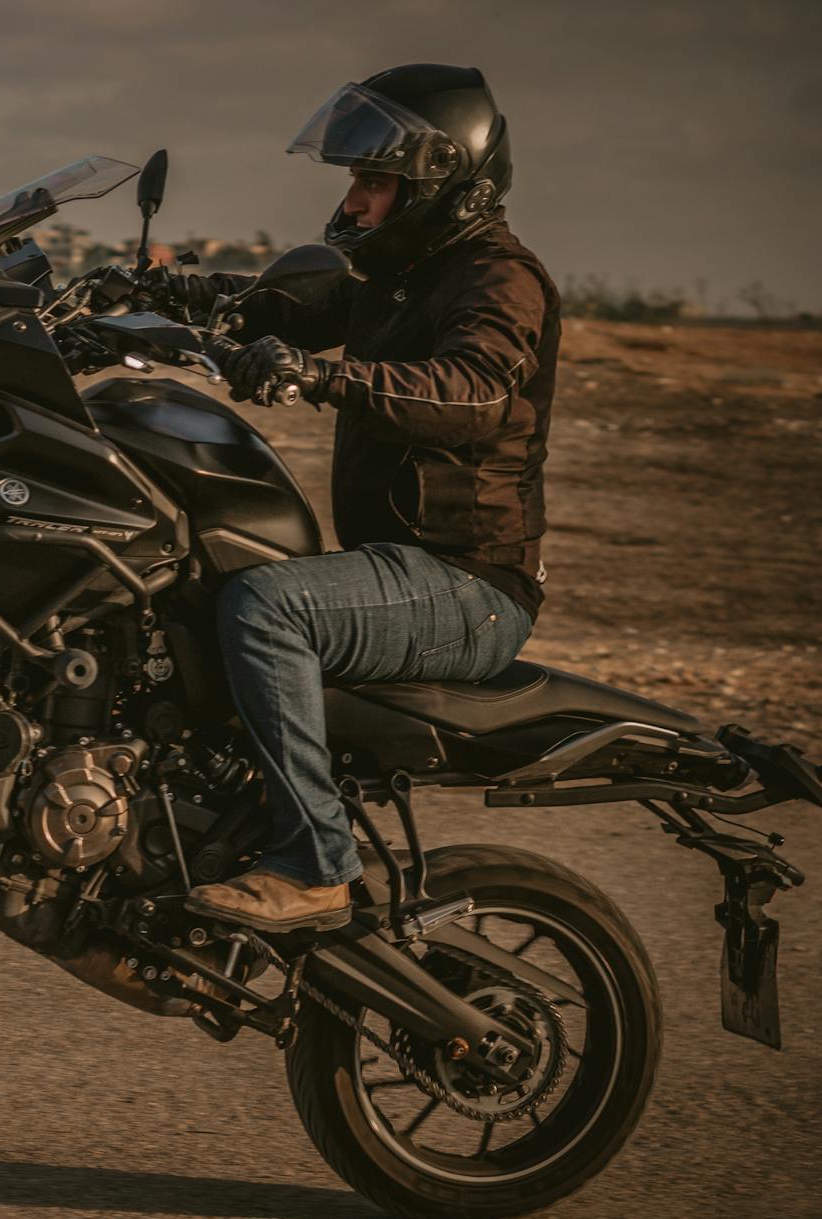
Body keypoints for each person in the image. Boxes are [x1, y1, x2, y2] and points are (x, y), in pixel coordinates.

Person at [161, 64, 561, 931]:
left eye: (375, 181)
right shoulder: (404, 274)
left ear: (439, 184)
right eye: (356, 179)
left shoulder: (499, 280)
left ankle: (316, 866)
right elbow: (291, 312)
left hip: (468, 587)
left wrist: (325, 377)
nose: (356, 200)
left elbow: (474, 391)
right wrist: (182, 297)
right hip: (404, 567)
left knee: (268, 607)